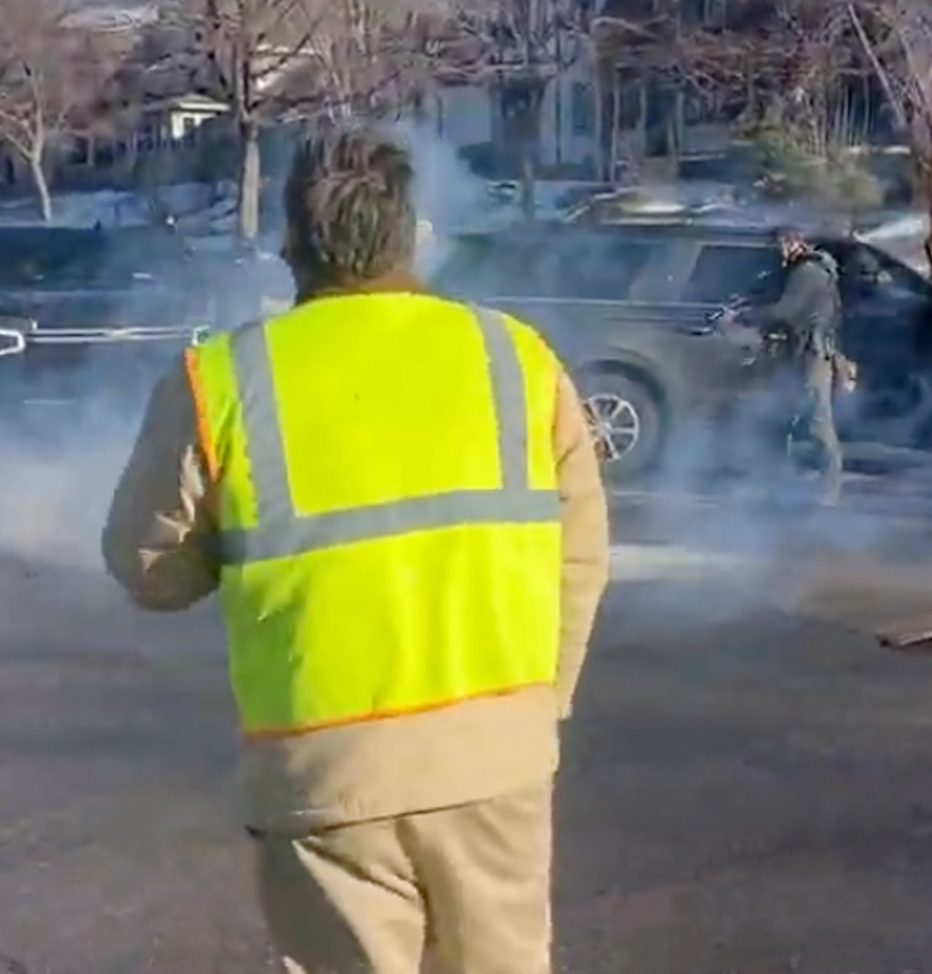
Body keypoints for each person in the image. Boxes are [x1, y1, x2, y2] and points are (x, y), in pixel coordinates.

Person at [100, 126, 611, 974]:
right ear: (412, 235)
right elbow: (580, 551)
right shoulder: (515, 358)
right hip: (499, 762)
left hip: (327, 775)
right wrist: (538, 702)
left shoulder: (223, 377)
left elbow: (146, 567)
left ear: (291, 244)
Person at [735, 226, 846, 505]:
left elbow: (785, 311)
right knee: (782, 417)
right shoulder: (803, 271)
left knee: (818, 421)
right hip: (801, 352)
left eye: (781, 244)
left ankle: (829, 488)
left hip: (811, 355)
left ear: (794, 243)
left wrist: (746, 316)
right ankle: (779, 481)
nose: (777, 251)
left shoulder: (808, 273)